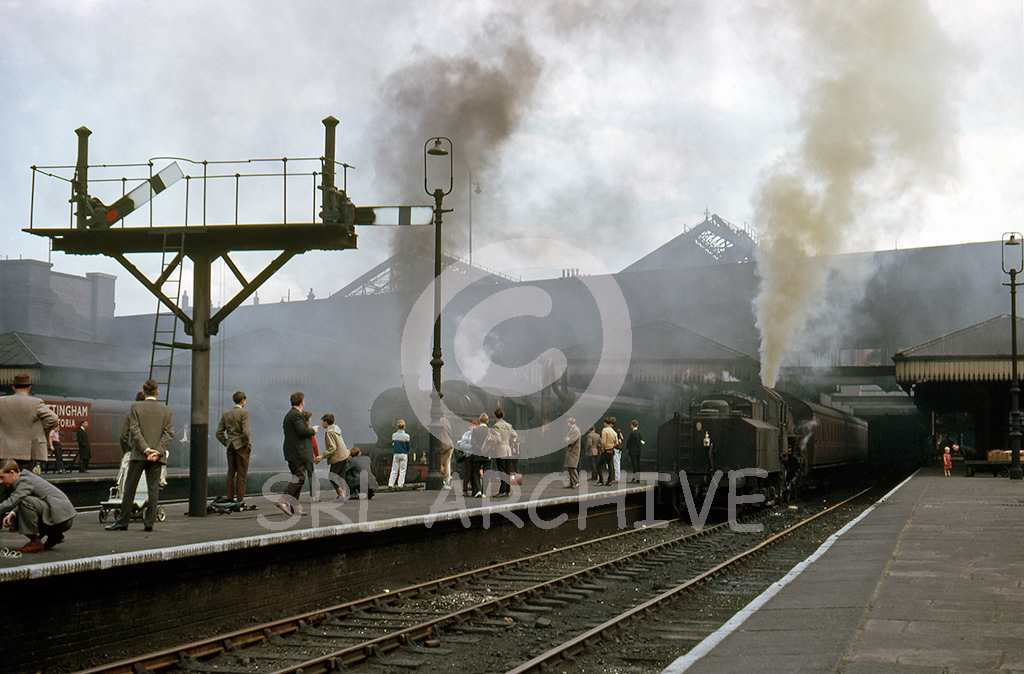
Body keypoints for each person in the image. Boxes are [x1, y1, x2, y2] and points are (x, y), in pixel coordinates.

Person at [105, 380, 174, 532]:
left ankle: (122, 522)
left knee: (129, 488)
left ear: (143, 393)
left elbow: (134, 431)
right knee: (153, 489)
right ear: (157, 393)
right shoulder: (166, 410)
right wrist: (157, 451)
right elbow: (169, 433)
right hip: (156, 457)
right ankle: (149, 523)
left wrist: (146, 449)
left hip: (138, 455)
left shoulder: (136, 407)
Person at [0, 459, 76, 552]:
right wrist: (13, 513)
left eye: (2, 477)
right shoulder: (26, 478)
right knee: (23, 504)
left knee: (24, 501)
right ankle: (55, 535)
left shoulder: (24, 481)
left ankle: (35, 542)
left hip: (60, 520)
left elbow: (13, 501)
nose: (0, 481)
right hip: (62, 518)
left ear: (12, 472)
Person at [0, 373, 59, 474]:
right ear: (29, 387)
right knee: (24, 481)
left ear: (13, 387)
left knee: (4, 481)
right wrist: (43, 431)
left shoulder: (1, 401)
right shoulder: (36, 403)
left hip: (4, 452)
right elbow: (53, 418)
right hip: (27, 452)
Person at [278, 391, 317, 516]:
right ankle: (283, 500)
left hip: (293, 452)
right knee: (300, 477)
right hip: (297, 452)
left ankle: (295, 508)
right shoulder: (296, 415)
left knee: (298, 477)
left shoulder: (290, 415)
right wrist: (313, 430)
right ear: (302, 402)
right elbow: (302, 431)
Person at [216, 391, 251, 504]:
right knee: (242, 474)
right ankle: (240, 500)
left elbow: (219, 433)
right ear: (243, 401)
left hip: (230, 445)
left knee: (231, 472)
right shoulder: (244, 413)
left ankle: (230, 497)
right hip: (241, 446)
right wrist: (246, 444)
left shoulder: (226, 414)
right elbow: (245, 432)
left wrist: (226, 442)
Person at [320, 413, 349, 500]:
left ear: (326, 422)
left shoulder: (329, 432)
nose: (322, 423)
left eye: (323, 421)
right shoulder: (336, 429)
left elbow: (332, 448)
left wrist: (322, 456)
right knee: (341, 476)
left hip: (338, 457)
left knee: (332, 476)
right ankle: (344, 494)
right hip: (344, 455)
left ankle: (341, 494)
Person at [492, 408, 518, 497]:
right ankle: (507, 490)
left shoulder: (496, 426)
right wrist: (511, 441)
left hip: (500, 451)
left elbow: (497, 439)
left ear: (495, 416)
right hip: (508, 450)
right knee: (507, 471)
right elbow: (515, 435)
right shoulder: (508, 425)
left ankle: (502, 491)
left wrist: (494, 446)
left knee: (502, 471)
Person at [469, 413, 491, 497]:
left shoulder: (475, 430)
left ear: (479, 421)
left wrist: (479, 448)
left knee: (475, 472)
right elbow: (492, 443)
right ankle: (484, 491)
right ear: (487, 421)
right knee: (486, 473)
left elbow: (473, 443)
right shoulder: (490, 431)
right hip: (487, 455)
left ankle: (478, 489)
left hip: (477, 454)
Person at [302, 410, 321, 501]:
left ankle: (294, 497)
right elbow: (314, 445)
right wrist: (317, 455)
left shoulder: (298, 429)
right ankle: (313, 496)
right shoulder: (309, 431)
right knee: (311, 475)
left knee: (298, 476)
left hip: (298, 456)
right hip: (308, 456)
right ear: (309, 420)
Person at [458, 418, 479, 496]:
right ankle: (465, 489)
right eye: (471, 425)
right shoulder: (466, 434)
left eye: (474, 425)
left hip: (476, 456)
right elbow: (462, 445)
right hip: (469, 455)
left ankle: (474, 490)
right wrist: (472, 446)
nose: (472, 427)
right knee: (467, 473)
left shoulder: (478, 434)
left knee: (475, 473)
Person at [388, 420, 411, 488]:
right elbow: (408, 446)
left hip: (396, 453)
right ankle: (400, 484)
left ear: (397, 427)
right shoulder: (407, 436)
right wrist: (406, 451)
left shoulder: (394, 435)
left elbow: (393, 443)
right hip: (403, 453)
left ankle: (391, 484)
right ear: (404, 427)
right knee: (402, 470)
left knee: (394, 469)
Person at [598, 417, 618, 486]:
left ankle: (601, 480)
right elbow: (617, 442)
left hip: (606, 450)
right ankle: (609, 481)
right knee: (610, 466)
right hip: (611, 450)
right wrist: (612, 446)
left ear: (605, 423)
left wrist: (602, 448)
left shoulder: (604, 430)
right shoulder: (613, 431)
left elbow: (603, 441)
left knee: (599, 465)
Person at [436, 413, 454, 489]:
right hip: (449, 443)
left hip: (444, 446)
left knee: (440, 464)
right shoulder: (446, 421)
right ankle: (447, 480)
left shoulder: (437, 421)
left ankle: (445, 479)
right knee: (446, 463)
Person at [563, 417, 582, 488]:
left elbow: (571, 441)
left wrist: (567, 440)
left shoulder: (576, 431)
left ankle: (577, 481)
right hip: (571, 452)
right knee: (570, 467)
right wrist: (567, 439)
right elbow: (567, 439)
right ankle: (572, 483)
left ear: (569, 423)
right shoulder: (572, 430)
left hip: (573, 452)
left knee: (572, 467)